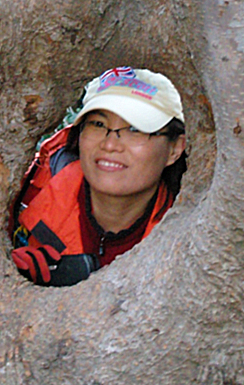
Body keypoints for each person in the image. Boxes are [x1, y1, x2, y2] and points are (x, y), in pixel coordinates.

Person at [11, 67, 186, 286]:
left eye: (135, 129)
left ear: (174, 149)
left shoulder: (190, 229)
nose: (110, 144)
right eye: (98, 124)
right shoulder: (31, 189)